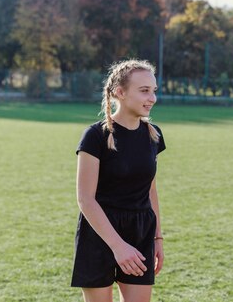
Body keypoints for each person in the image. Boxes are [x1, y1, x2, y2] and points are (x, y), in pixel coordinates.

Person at [71, 59, 166, 302]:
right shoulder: (95, 136)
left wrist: (157, 238)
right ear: (119, 93)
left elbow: (150, 191)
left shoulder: (153, 135)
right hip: (99, 233)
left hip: (140, 230)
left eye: (154, 90)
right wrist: (118, 246)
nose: (152, 98)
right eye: (144, 90)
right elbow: (85, 199)